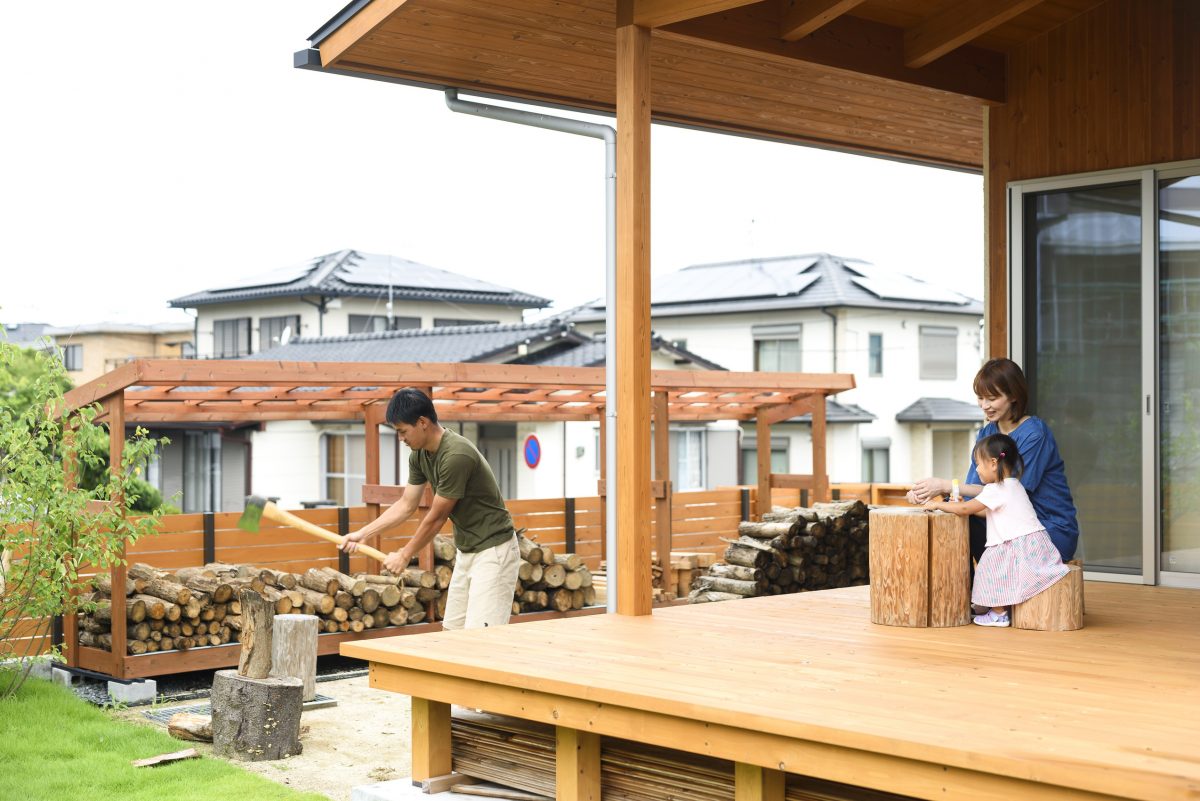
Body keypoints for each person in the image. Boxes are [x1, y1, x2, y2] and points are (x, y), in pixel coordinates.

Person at [340, 388, 520, 630]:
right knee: (452, 633)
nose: (401, 439)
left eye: (403, 431)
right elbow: (406, 504)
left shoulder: (456, 455)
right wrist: (363, 534)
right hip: (467, 550)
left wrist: (404, 555)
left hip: (494, 551)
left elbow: (436, 518)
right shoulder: (419, 455)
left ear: (422, 422)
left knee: (482, 638)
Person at [907, 357, 1080, 565]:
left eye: (992, 398)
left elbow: (1008, 495)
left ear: (1014, 395)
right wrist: (927, 493)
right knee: (952, 518)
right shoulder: (988, 433)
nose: (984, 405)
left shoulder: (1034, 435)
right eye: (980, 398)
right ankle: (963, 593)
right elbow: (975, 489)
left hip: (1046, 531)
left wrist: (945, 486)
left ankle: (969, 594)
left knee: (965, 520)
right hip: (1007, 526)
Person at [924, 433, 1069, 627]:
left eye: (978, 464)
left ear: (993, 463)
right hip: (1033, 543)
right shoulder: (1014, 485)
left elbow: (966, 509)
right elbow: (988, 512)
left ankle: (998, 613)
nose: (977, 469)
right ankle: (995, 606)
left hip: (1014, 544)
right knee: (1000, 573)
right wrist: (962, 505)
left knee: (991, 572)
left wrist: (939, 506)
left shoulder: (994, 489)